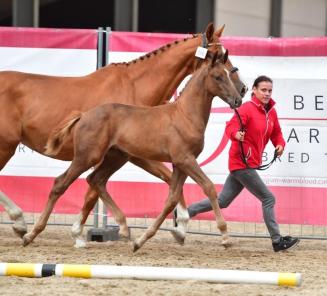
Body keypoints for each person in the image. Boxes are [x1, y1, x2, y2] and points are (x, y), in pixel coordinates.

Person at [173, 75, 299, 252]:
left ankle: (184, 212)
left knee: (223, 201)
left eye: (270, 90)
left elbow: (276, 133)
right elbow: (230, 127)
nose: (267, 93)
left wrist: (280, 144)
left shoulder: (271, 112)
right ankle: (277, 241)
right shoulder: (246, 109)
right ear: (254, 90)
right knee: (268, 198)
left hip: (249, 163)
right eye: (263, 90)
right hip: (241, 163)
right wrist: (236, 135)